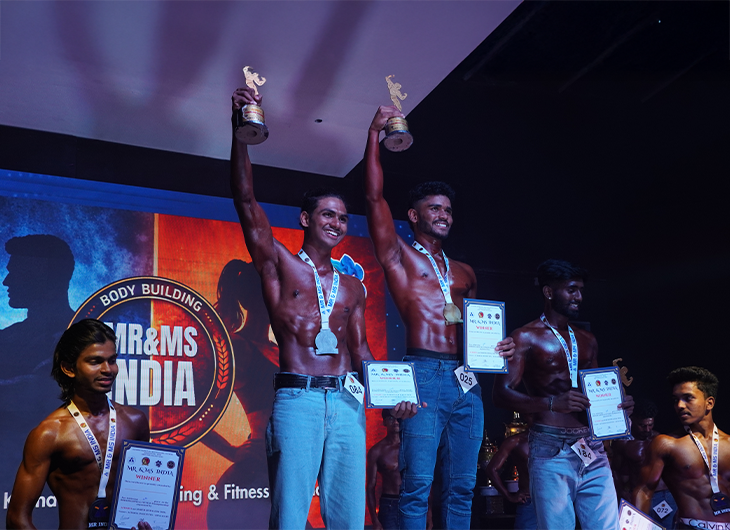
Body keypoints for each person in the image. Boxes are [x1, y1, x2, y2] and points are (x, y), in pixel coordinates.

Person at [230, 87, 417, 530]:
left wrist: (394, 396)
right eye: (327, 215)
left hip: (347, 404)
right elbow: (245, 200)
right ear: (305, 219)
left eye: (342, 217)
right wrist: (239, 131)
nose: (336, 223)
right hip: (299, 399)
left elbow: (362, 353)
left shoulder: (352, 288)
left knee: (348, 519)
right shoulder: (280, 265)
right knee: (291, 516)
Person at [364, 105, 515, 530]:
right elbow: (374, 199)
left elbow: (477, 332)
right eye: (434, 209)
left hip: (466, 378)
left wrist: (497, 347)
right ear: (414, 216)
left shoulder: (465, 272)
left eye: (447, 209)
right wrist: (374, 136)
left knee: (463, 486)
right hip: (424, 372)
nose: (444, 215)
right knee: (418, 485)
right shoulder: (400, 256)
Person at [493, 259, 633, 530]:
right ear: (549, 292)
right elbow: (501, 395)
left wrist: (619, 406)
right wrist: (551, 403)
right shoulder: (524, 337)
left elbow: (595, 393)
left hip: (590, 446)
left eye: (580, 290)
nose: (578, 297)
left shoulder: (587, 340)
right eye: (571, 290)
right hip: (550, 446)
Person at [6, 319, 151, 530]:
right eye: (95, 361)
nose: (108, 369)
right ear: (69, 368)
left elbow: (146, 495)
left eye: (112, 360)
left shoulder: (135, 422)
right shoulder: (50, 433)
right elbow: (16, 518)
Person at [203, 260, 279, 529]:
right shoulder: (236, 347)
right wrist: (230, 451)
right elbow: (191, 409)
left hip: (274, 475)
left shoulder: (278, 350)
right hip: (249, 482)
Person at [635, 367, 730, 530]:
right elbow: (644, 491)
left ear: (709, 403)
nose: (679, 405)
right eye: (675, 400)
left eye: (688, 398)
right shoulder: (667, 444)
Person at [611, 399, 677, 528]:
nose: (647, 429)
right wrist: (622, 493)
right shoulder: (623, 443)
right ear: (632, 420)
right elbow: (615, 470)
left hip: (665, 495)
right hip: (639, 495)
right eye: (642, 425)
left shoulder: (660, 440)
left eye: (650, 425)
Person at [485, 430, 537, 530]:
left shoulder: (557, 439)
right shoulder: (516, 440)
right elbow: (491, 470)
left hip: (555, 501)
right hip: (529, 501)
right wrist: (509, 496)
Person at [367, 409, 404, 530]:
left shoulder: (410, 447)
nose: (396, 422)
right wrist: (374, 520)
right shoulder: (377, 451)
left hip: (411, 501)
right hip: (389, 504)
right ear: (384, 422)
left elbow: (424, 479)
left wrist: (429, 511)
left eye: (398, 418)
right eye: (391, 419)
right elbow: (370, 487)